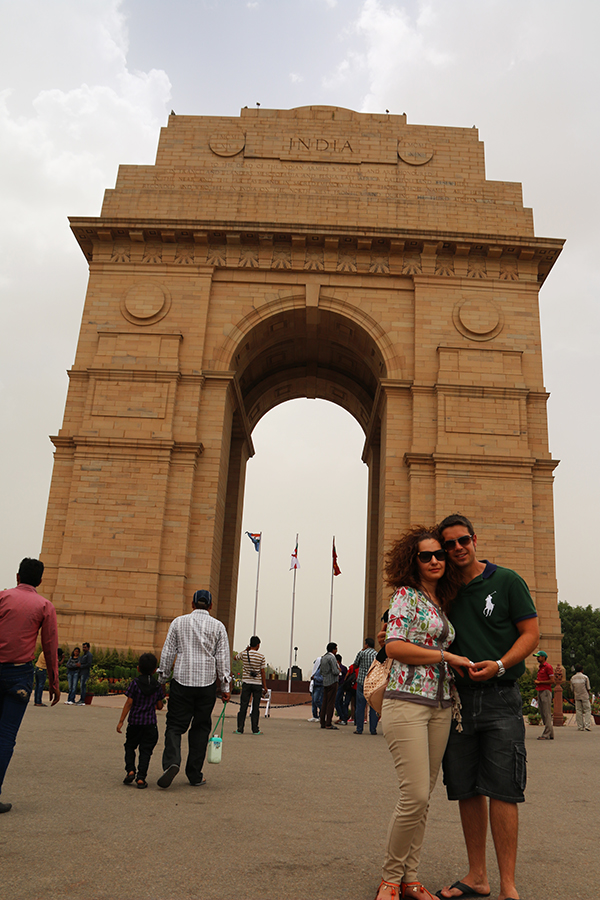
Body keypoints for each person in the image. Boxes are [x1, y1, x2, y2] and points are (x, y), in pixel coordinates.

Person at [436, 513, 539, 900]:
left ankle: (508, 885)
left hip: (501, 696)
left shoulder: (507, 581)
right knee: (466, 788)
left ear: (475, 539)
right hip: (458, 701)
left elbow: (531, 633)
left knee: (504, 789)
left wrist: (499, 664)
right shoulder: (442, 590)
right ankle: (477, 875)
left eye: (463, 540)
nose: (457, 548)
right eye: (449, 544)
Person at [374, 526, 472, 900]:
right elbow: (395, 647)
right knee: (413, 795)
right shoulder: (406, 596)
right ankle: (390, 878)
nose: (434, 560)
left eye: (439, 555)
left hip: (440, 705)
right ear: (412, 561)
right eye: (425, 555)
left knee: (423, 798)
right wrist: (447, 655)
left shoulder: (441, 601)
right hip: (406, 701)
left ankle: (410, 878)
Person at [0, 558, 60, 813]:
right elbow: (49, 645)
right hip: (19, 676)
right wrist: (54, 681)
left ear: (17, 576)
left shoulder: (2, 597)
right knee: (5, 737)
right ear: (40, 581)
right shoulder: (45, 606)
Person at [156, 589, 231, 789]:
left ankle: (172, 762)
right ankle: (195, 774)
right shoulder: (218, 626)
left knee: (174, 725)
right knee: (200, 728)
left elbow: (168, 652)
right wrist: (225, 686)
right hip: (206, 685)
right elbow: (222, 659)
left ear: (192, 604)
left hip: (182, 681)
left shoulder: (178, 622)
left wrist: (162, 679)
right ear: (211, 606)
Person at [117, 652, 165, 788]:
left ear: (138, 668)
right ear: (155, 670)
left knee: (130, 746)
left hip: (134, 722)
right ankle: (141, 778)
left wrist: (121, 721)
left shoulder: (135, 683)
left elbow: (129, 702)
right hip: (150, 723)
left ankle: (130, 770)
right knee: (146, 751)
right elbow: (160, 706)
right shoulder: (156, 685)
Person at [234, 636, 267, 735]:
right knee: (256, 707)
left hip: (246, 683)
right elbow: (262, 672)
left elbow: (235, 658)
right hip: (257, 684)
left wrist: (246, 650)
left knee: (243, 705)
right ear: (258, 645)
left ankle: (240, 728)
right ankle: (255, 729)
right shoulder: (261, 657)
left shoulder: (245, 654)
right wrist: (264, 686)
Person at [353, 637, 378, 734]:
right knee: (373, 706)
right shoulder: (377, 654)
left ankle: (359, 728)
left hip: (362, 681)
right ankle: (373, 729)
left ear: (366, 644)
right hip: (373, 682)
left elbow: (355, 665)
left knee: (360, 705)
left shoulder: (362, 653)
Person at [533, 650, 554, 740]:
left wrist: (540, 682)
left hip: (545, 691)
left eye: (538, 656)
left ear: (543, 657)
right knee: (543, 713)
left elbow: (552, 680)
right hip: (540, 691)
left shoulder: (548, 667)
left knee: (546, 713)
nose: (537, 658)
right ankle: (551, 733)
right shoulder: (540, 667)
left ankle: (546, 734)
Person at [319, 642, 340, 730]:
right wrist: (339, 670)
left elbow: (321, 671)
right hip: (332, 682)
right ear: (333, 649)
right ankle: (328, 723)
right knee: (331, 703)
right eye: (336, 649)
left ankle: (322, 722)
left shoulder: (323, 658)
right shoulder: (332, 658)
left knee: (324, 702)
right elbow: (335, 671)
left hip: (325, 681)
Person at [570, 664, 592, 732]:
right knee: (587, 710)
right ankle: (587, 725)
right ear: (582, 670)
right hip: (584, 696)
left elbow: (572, 689)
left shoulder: (573, 678)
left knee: (578, 711)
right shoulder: (585, 677)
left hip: (577, 696)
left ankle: (580, 726)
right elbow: (588, 688)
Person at [308, 656, 323, 722]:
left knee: (317, 700)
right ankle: (315, 716)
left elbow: (322, 679)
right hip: (315, 685)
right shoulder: (316, 670)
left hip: (320, 686)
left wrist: (314, 678)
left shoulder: (322, 670)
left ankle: (321, 714)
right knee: (313, 702)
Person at [334, 653, 348, 724]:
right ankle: (343, 717)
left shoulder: (341, 668)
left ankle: (342, 717)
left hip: (341, 686)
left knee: (336, 701)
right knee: (340, 702)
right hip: (340, 686)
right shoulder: (343, 668)